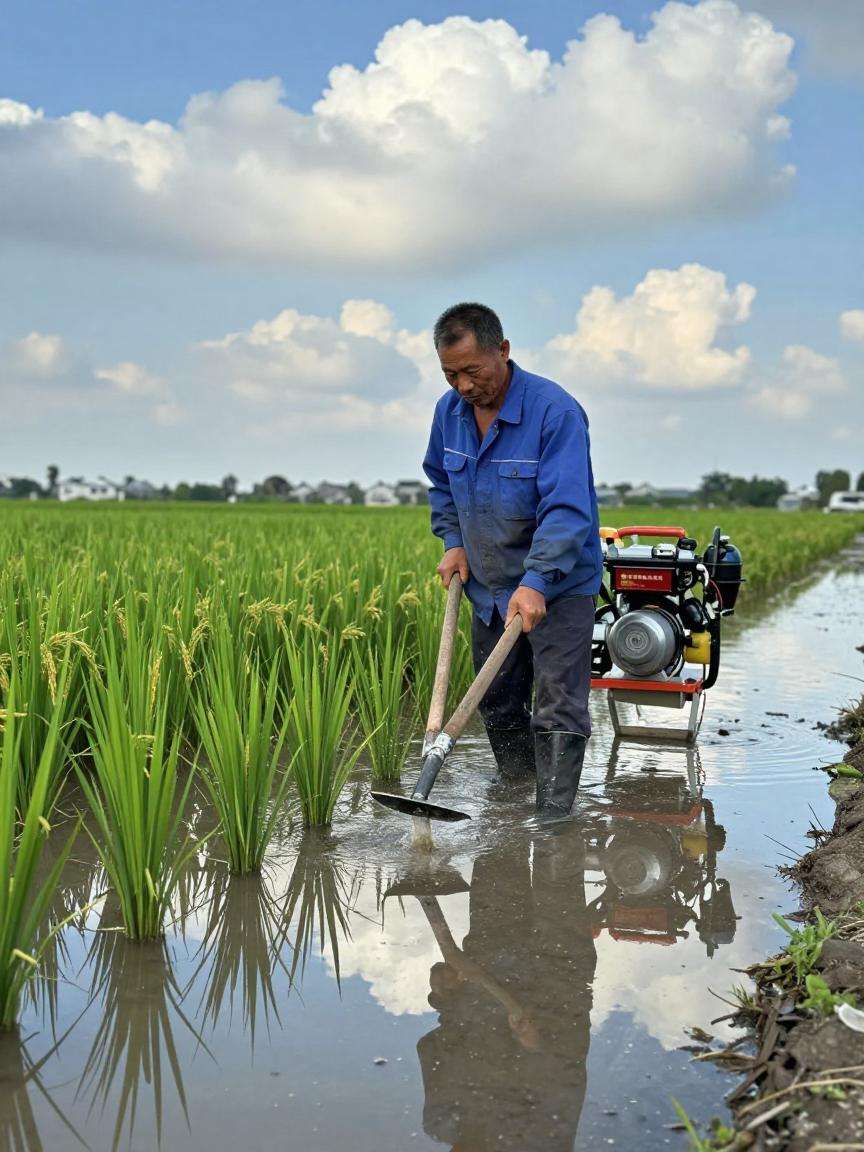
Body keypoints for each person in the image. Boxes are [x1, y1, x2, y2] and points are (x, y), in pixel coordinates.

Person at [422, 302, 602, 816]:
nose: (462, 386)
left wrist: (539, 580)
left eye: (472, 371)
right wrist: (452, 541)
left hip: (559, 586)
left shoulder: (555, 412)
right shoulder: (447, 414)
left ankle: (551, 823)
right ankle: (515, 799)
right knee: (498, 698)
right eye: (449, 374)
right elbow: (441, 483)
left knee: (557, 704)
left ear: (502, 351)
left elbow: (568, 510)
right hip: (488, 585)